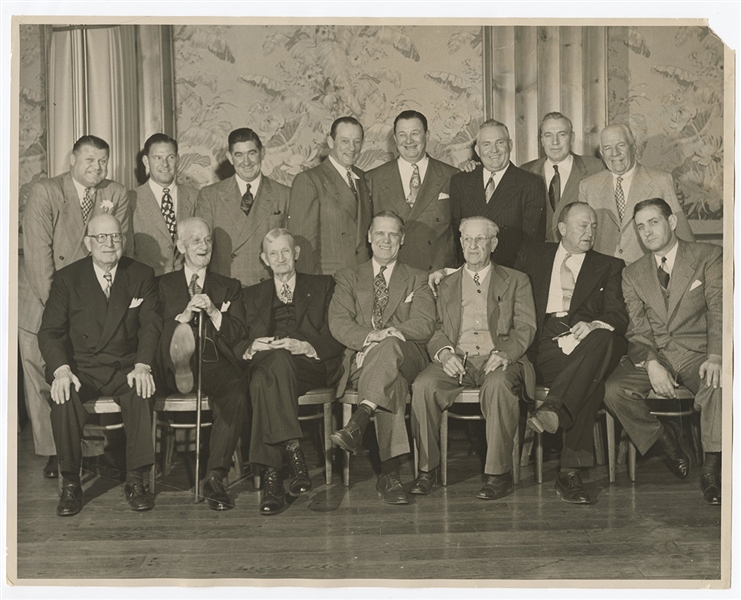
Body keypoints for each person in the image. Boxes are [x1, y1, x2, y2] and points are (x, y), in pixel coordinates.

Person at [19, 135, 130, 479]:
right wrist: (63, 310)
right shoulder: (45, 192)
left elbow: (116, 252)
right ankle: (56, 452)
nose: (97, 168)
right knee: (44, 376)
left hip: (91, 304)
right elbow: (39, 257)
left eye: (102, 161)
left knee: (85, 373)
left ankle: (94, 448)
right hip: (42, 299)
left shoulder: (117, 194)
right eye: (89, 160)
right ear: (71, 160)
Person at [37, 214, 161, 516]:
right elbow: (50, 332)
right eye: (101, 238)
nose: (109, 243)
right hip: (82, 368)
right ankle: (70, 484)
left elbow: (151, 327)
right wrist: (61, 370)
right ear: (88, 242)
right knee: (63, 398)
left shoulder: (141, 274)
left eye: (115, 237)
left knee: (142, 391)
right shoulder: (68, 278)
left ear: (123, 240)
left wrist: (143, 365)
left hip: (126, 367)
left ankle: (136, 481)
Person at [604, 198, 722, 505]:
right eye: (640, 227)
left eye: (653, 222)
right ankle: (663, 438)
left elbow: (720, 313)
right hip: (659, 352)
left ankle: (712, 468)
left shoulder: (708, 256)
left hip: (699, 352)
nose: (647, 232)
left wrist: (716, 356)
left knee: (718, 384)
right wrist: (652, 362)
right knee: (615, 390)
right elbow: (638, 330)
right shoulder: (632, 274)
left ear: (671, 222)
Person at [411, 216, 536, 501]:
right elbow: (435, 327)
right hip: (458, 359)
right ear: (460, 243)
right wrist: (444, 353)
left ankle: (498, 474)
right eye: (467, 239)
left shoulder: (517, 280)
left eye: (480, 239)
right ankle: (426, 470)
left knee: (498, 386)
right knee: (423, 386)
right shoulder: (445, 283)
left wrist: (505, 353)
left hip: (498, 359)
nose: (473, 245)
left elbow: (526, 326)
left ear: (493, 243)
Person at [516, 203, 628, 504]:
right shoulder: (534, 256)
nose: (590, 232)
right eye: (582, 225)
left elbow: (618, 315)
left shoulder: (609, 265)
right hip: (546, 340)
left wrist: (593, 324)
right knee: (591, 377)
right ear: (562, 228)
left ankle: (553, 408)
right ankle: (568, 472)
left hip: (589, 338)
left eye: (593, 226)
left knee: (602, 340)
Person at [236, 228, 346, 515]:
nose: (280, 258)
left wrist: (306, 346)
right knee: (272, 364)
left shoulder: (323, 286)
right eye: (273, 253)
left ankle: (273, 477)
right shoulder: (250, 295)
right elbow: (236, 338)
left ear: (296, 254)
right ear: (264, 259)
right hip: (267, 361)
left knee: (264, 381)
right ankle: (293, 451)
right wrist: (251, 346)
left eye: (286, 251)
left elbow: (337, 332)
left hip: (307, 366)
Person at [328, 211, 435, 505]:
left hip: (406, 356)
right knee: (393, 384)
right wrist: (368, 339)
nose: (385, 240)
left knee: (388, 348)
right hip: (362, 360)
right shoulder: (348, 277)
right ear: (368, 237)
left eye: (392, 234)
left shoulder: (418, 277)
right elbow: (338, 322)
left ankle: (360, 418)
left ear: (401, 240)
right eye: (379, 233)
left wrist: (386, 335)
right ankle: (390, 475)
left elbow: (425, 323)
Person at [156, 217, 248, 511]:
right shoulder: (161, 286)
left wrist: (214, 311)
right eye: (196, 240)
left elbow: (239, 333)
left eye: (208, 240)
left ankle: (215, 477)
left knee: (235, 390)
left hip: (213, 363)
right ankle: (182, 357)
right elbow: (150, 332)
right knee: (175, 354)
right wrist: (182, 318)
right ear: (181, 246)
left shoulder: (228, 287)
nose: (204, 245)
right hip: (172, 367)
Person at [578, 123, 695, 265]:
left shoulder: (661, 180)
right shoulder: (588, 186)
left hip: (647, 272)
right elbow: (581, 237)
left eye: (621, 145)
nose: (615, 153)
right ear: (602, 153)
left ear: (633, 147)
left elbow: (681, 232)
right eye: (608, 148)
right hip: (603, 274)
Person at [365, 110, 459, 272]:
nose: (409, 140)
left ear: (427, 135)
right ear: (395, 139)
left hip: (439, 273)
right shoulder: (373, 179)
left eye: (415, 133)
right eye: (402, 135)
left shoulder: (452, 176)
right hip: (393, 273)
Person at [196, 128, 290, 287]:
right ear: (230, 158)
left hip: (269, 288)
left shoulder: (284, 194)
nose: (246, 162)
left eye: (252, 153)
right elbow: (200, 249)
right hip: (225, 288)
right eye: (239, 155)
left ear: (262, 153)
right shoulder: (210, 196)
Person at [450, 119, 546, 268]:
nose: (494, 150)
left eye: (500, 142)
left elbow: (531, 242)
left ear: (510, 145)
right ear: (477, 150)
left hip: (511, 274)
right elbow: (456, 237)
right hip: (470, 272)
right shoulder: (461, 181)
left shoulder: (530, 183)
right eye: (486, 144)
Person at [288, 117, 372, 275]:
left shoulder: (364, 178)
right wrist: (313, 287)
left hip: (363, 276)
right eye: (345, 141)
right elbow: (303, 244)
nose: (352, 148)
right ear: (331, 142)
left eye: (357, 141)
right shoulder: (309, 180)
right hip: (328, 278)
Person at [521, 112, 605, 241]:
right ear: (542, 140)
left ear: (572, 138)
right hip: (538, 255)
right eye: (548, 135)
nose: (555, 142)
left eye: (562, 134)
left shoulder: (595, 168)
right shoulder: (526, 171)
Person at [129, 133, 199, 276]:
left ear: (177, 160)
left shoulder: (195, 196)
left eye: (170, 157)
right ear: (146, 161)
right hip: (147, 285)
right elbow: (127, 252)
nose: (165, 164)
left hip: (188, 285)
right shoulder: (131, 199)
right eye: (157, 158)